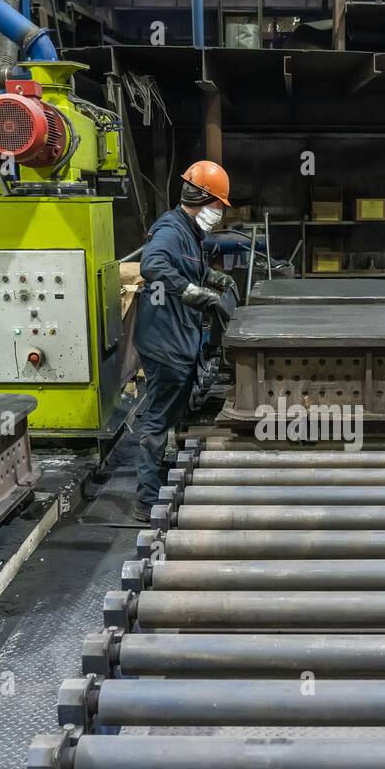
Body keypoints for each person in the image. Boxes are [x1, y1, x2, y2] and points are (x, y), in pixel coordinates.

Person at [132, 160, 235, 521]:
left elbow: (188, 265)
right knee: (158, 419)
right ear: (204, 200)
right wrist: (193, 292)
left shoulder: (189, 233)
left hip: (178, 338)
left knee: (173, 411)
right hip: (165, 342)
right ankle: (145, 501)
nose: (219, 215)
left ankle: (159, 476)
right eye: (219, 207)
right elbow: (154, 265)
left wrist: (214, 278)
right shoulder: (171, 230)